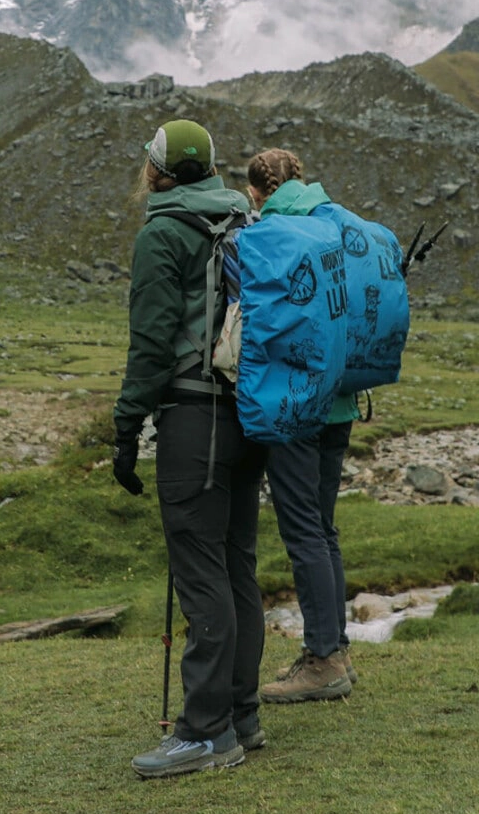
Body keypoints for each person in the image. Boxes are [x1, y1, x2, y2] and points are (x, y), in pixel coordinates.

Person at [112, 120, 266, 779]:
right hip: (247, 413)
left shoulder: (163, 232)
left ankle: (206, 734)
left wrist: (126, 425)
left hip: (192, 418)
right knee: (235, 566)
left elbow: (151, 339)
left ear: (161, 171)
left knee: (200, 573)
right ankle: (241, 716)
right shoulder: (244, 221)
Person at [247, 149, 359, 704]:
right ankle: (335, 646)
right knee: (325, 528)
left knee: (303, 533)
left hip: (296, 407)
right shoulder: (333, 220)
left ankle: (322, 661)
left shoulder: (273, 232)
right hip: (341, 401)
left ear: (256, 193)